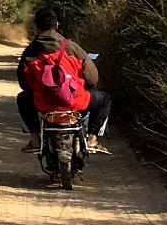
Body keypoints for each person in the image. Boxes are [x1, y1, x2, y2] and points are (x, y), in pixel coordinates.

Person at [16, 8, 113, 154]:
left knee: (23, 98)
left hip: (43, 104)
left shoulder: (30, 53)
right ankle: (92, 140)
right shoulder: (73, 48)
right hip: (75, 102)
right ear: (56, 25)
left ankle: (35, 141)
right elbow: (92, 79)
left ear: (37, 26)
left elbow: (24, 84)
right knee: (104, 99)